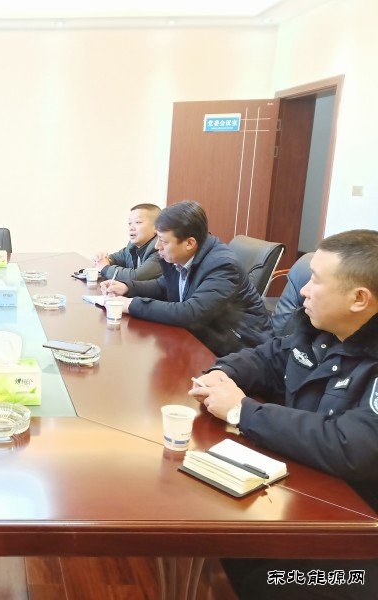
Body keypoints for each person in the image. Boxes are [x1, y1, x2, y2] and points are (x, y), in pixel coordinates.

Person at [189, 229, 378, 599]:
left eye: (316, 280)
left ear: (359, 299)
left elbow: (352, 445)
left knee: (272, 581)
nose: (303, 290)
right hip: (310, 495)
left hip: (361, 533)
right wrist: (221, 374)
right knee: (227, 537)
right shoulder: (320, 329)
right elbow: (267, 357)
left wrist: (243, 412)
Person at [100, 200, 271, 356]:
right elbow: (164, 286)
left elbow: (191, 313)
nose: (158, 247)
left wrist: (131, 305)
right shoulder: (178, 255)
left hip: (240, 351)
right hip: (201, 339)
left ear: (189, 243)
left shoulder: (222, 265)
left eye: (163, 241)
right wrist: (128, 287)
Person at [95, 203, 162, 283]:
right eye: (130, 223)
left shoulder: (160, 250)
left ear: (156, 227)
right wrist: (103, 259)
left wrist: (105, 268)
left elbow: (136, 277)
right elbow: (115, 258)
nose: (131, 228)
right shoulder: (132, 246)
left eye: (138, 222)